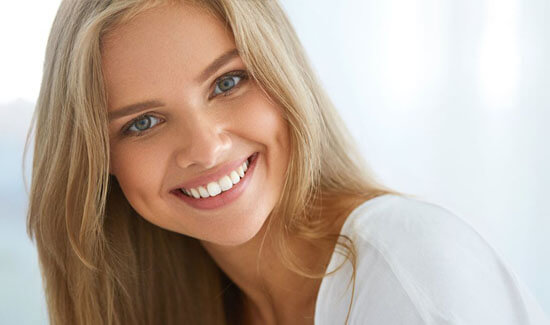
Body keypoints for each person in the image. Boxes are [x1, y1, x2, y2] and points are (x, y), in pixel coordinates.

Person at [26, 0, 549, 324]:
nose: (205, 148)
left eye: (227, 82)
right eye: (142, 123)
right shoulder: (178, 299)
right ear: (98, 163)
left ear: (283, 76)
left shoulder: (407, 269)